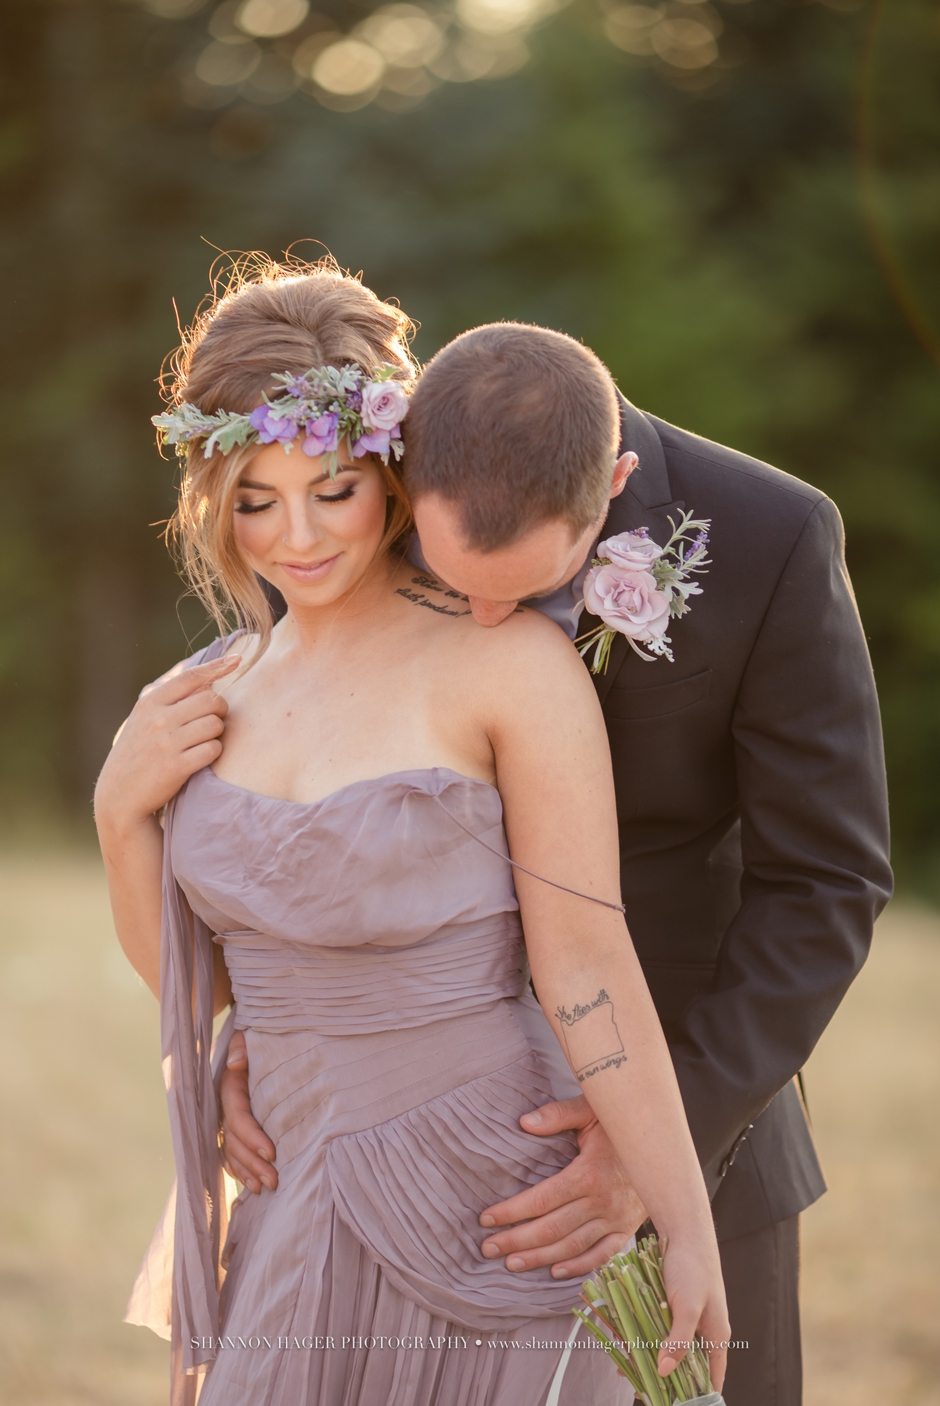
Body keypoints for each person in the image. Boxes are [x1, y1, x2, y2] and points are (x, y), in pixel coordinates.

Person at [219, 319, 893, 1405]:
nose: (486, 619)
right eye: (455, 580)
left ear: (613, 482)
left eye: (526, 586)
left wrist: (656, 1136)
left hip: (689, 1115)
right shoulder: (376, 493)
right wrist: (266, 1015)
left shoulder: (772, 538)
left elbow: (825, 879)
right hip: (417, 1152)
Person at [94, 258, 729, 1406]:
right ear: (211, 500)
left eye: (330, 489)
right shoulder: (202, 691)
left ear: (388, 472)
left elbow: (586, 958)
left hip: (497, 1195)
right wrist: (116, 810)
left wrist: (680, 1217)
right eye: (253, 500)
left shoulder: (504, 663)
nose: (295, 536)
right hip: (289, 1188)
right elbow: (194, 987)